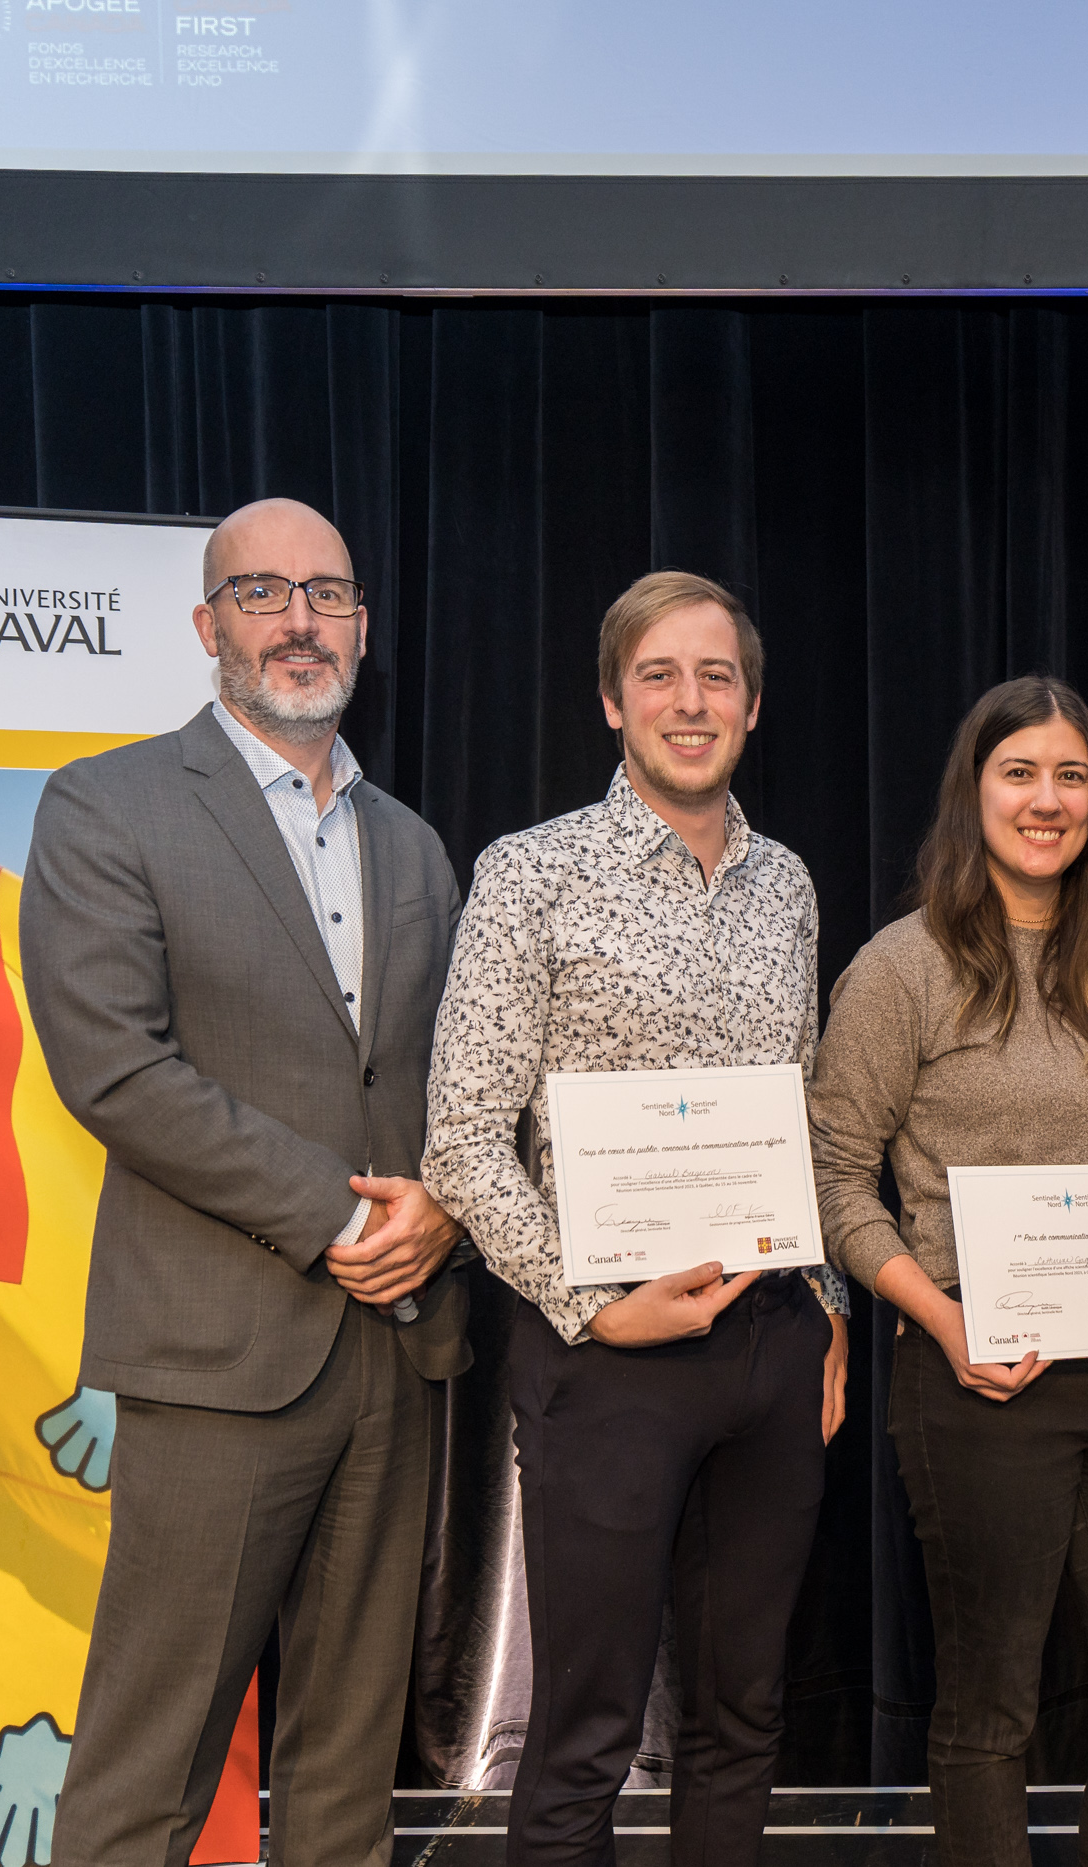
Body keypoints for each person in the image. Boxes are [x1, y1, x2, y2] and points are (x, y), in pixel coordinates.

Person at [23, 496, 471, 1867]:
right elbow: (116, 1067)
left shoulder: (416, 843)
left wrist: (443, 1205)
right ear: (208, 624)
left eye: (326, 593)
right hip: (217, 1353)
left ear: (364, 630)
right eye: (263, 591)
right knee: (147, 1769)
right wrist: (341, 1213)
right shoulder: (107, 804)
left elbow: (456, 1077)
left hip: (397, 1352)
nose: (298, 620)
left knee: (345, 1768)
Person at [421, 570, 850, 1867]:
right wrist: (589, 1301)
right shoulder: (531, 873)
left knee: (743, 1715)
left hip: (770, 1343)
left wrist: (826, 1307)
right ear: (613, 700)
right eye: (659, 673)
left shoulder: (788, 885)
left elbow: (805, 1110)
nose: (689, 698)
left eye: (716, 674)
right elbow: (460, 1138)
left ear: (755, 704)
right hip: (608, 1351)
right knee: (586, 1728)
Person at [809, 675, 1088, 1867]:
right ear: (973, 792)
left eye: (1070, 775)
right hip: (975, 1379)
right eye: (1019, 773)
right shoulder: (902, 968)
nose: (1047, 800)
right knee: (990, 1715)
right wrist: (936, 1318)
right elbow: (835, 1177)